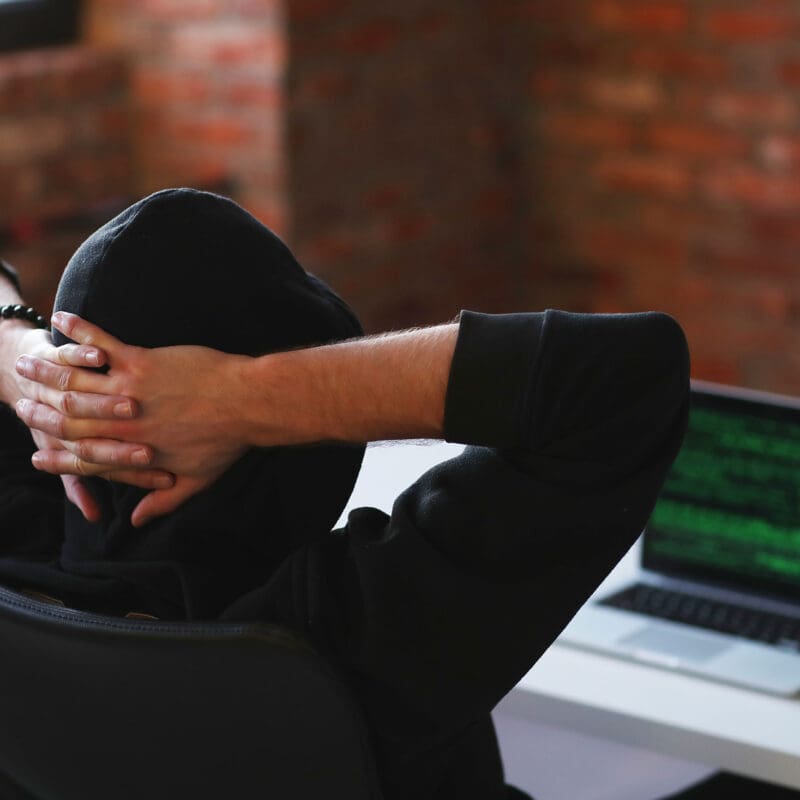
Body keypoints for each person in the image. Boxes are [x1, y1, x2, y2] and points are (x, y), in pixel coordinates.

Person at [1, 188, 691, 799]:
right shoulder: (344, 634)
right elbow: (621, 380)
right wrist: (241, 398)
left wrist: (27, 360)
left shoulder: (20, 561)